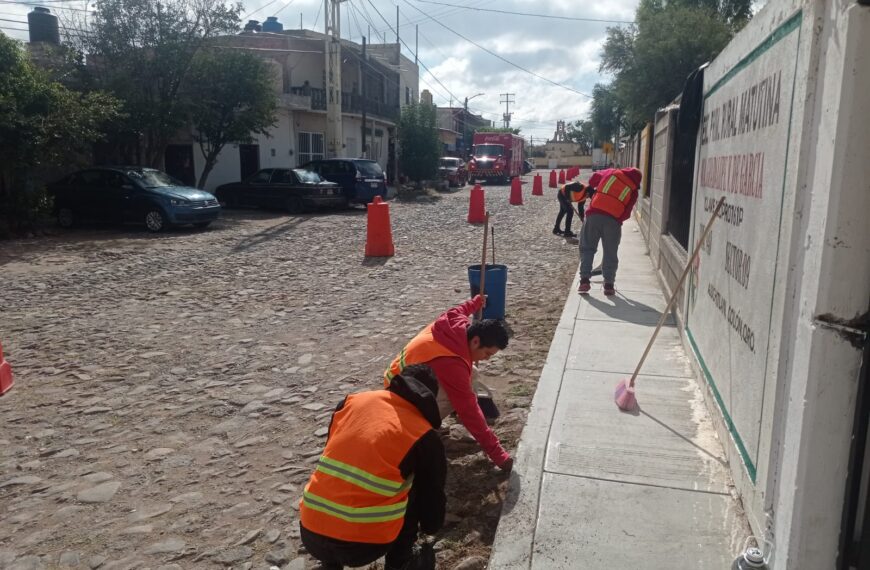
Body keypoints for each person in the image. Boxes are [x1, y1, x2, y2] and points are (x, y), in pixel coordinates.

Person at [299, 364, 445, 570]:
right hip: (365, 546)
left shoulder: (350, 403)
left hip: (310, 532)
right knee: (413, 491)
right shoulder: (423, 434)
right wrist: (431, 529)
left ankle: (330, 564)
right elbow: (432, 493)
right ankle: (400, 562)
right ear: (428, 398)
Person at [384, 295, 513, 472]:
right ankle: (424, 425)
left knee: (471, 373)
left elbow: (460, 310)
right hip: (399, 394)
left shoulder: (455, 323)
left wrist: (475, 303)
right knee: (459, 395)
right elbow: (469, 411)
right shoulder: (452, 364)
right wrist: (498, 454)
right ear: (476, 341)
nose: (486, 358)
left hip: (400, 374)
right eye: (487, 353)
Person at [578, 167, 642, 295]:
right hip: (613, 221)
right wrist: (617, 219)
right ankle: (609, 284)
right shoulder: (634, 190)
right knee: (610, 252)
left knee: (587, 248)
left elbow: (592, 180)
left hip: (594, 214)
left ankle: (584, 280)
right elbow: (627, 212)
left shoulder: (612, 172)